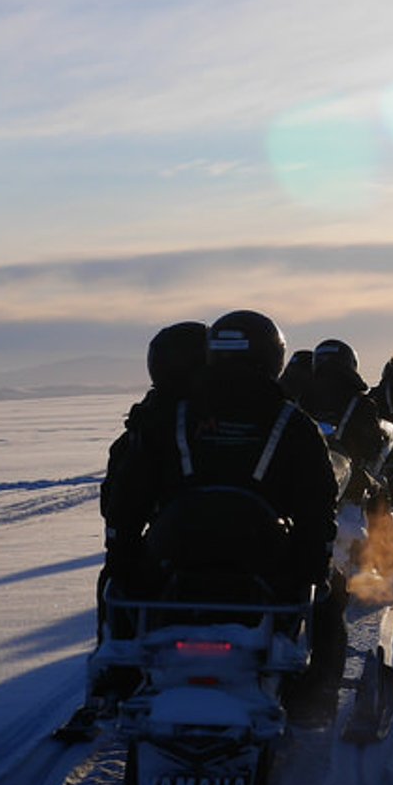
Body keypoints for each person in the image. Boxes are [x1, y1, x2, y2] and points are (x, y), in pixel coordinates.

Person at [138, 310, 347, 724]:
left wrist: (124, 545)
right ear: (273, 357)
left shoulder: (170, 416)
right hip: (260, 553)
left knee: (122, 585)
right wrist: (315, 561)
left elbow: (131, 487)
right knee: (333, 588)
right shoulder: (292, 422)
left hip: (177, 551)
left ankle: (116, 681)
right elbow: (317, 501)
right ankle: (316, 696)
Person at [96, 320, 209, 637]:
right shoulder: (256, 413)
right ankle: (321, 682)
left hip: (171, 547)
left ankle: (116, 672)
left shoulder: (149, 423)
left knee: (115, 584)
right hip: (250, 544)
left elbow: (119, 499)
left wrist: (122, 551)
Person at [297, 337, 393, 496]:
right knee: (379, 492)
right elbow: (372, 448)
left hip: (303, 477)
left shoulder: (302, 399)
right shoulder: (362, 403)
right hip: (349, 483)